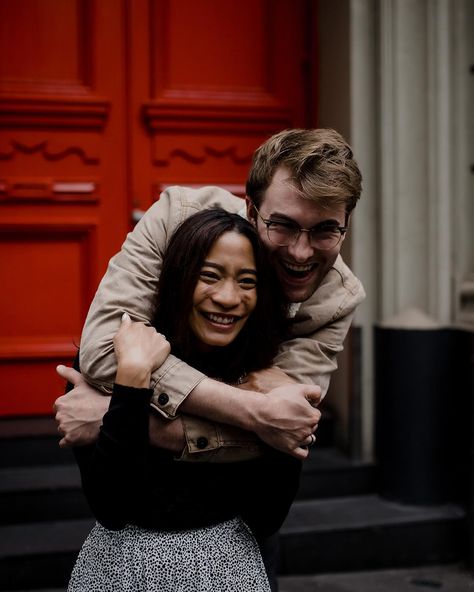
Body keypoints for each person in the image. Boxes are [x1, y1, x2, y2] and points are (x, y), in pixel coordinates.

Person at [55, 128, 365, 589]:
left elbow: (284, 431)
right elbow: (104, 353)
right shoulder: (177, 217)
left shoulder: (336, 299)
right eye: (282, 226)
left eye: (325, 230)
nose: (301, 252)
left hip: (239, 544)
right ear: (252, 211)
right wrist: (254, 410)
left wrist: (118, 416)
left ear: (344, 224)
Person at [66, 209, 308, 591]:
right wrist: (131, 380)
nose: (229, 298)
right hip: (121, 574)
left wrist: (274, 416)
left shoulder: (262, 376)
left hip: (230, 573)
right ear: (178, 279)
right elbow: (112, 506)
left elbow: (267, 516)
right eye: (209, 276)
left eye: (248, 281)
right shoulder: (111, 368)